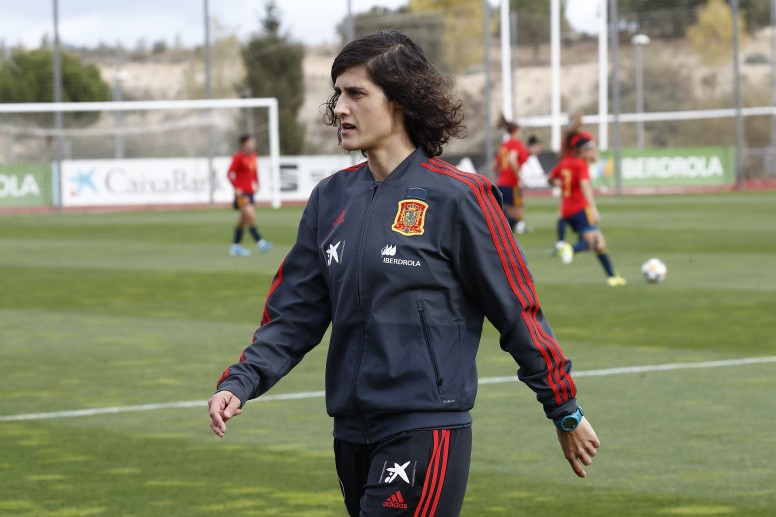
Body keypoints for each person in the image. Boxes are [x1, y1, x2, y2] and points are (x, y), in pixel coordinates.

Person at [209, 30, 600, 517]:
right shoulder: (330, 198)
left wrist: (564, 409)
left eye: (356, 93)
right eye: (337, 93)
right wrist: (240, 381)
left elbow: (517, 311)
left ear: (399, 100)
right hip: (350, 431)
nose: (339, 108)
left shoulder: (460, 197)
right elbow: (294, 314)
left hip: (426, 428)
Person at [548, 117, 626, 286]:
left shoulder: (566, 162)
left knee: (598, 243)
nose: (595, 150)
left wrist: (561, 184)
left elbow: (550, 178)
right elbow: (585, 186)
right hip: (580, 208)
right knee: (595, 242)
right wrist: (593, 208)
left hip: (567, 210)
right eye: (593, 148)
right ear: (583, 150)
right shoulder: (580, 164)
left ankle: (612, 277)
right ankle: (571, 249)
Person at [226, 133, 273, 256]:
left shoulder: (253, 156)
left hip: (250, 192)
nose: (253, 144)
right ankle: (261, 242)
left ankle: (235, 247)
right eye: (251, 142)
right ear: (244, 144)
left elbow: (255, 171)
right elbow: (229, 174)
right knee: (251, 216)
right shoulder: (238, 157)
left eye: (253, 142)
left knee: (242, 220)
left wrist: (257, 183)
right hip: (242, 194)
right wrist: (236, 187)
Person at [493, 115, 530, 234]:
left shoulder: (503, 145)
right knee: (517, 215)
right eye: (520, 131)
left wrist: (503, 171)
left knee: (506, 212)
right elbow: (512, 159)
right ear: (516, 131)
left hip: (501, 183)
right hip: (511, 184)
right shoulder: (515, 143)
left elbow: (495, 166)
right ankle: (501, 233)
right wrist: (519, 178)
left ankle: (500, 232)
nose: (521, 134)